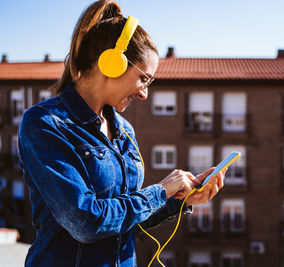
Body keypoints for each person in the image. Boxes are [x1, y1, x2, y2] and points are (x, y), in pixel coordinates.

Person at [17, 1, 225, 266]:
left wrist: (179, 200)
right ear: (113, 63)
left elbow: (124, 218)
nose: (144, 93)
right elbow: (87, 222)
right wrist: (161, 191)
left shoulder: (124, 129)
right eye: (143, 79)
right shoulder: (44, 124)